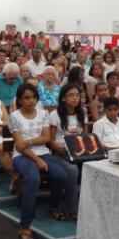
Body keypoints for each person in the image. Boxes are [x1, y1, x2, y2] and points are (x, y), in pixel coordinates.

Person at [9, 83, 69, 239]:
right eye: (26, 98)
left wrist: (29, 142)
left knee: (62, 175)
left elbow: (46, 138)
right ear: (20, 100)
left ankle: (53, 206)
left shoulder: (43, 114)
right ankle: (25, 226)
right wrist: (37, 159)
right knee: (33, 179)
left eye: (34, 97)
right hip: (22, 157)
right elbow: (19, 146)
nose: (31, 101)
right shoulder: (14, 117)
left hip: (42, 152)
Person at [48, 84, 84, 220]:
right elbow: (50, 141)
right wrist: (60, 150)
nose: (75, 98)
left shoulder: (82, 113)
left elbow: (85, 136)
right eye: (71, 95)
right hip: (60, 152)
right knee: (73, 170)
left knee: (97, 165)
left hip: (78, 152)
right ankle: (72, 209)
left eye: (77, 95)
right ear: (63, 98)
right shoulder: (55, 114)